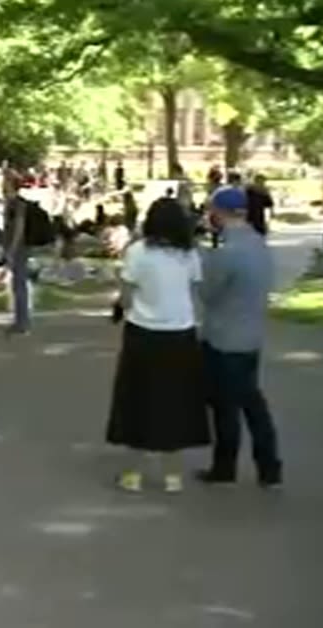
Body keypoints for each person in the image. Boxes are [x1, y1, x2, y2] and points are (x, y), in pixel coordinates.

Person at [106, 198, 211, 493]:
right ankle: (173, 475)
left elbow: (126, 297)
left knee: (137, 400)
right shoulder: (189, 255)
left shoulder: (138, 252)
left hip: (144, 331)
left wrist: (119, 307)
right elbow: (193, 289)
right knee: (176, 401)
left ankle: (133, 474)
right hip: (180, 331)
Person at [197, 186, 282, 488]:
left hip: (224, 336)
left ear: (218, 212)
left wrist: (204, 262)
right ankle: (268, 465)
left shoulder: (227, 253)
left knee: (226, 405)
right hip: (251, 333)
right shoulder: (259, 244)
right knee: (251, 401)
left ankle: (225, 466)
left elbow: (207, 293)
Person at [0, 171, 32, 336]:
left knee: (20, 285)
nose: (2, 185)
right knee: (16, 285)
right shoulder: (9, 203)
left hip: (18, 247)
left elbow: (18, 228)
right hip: (12, 247)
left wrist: (12, 249)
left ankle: (23, 322)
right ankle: (19, 319)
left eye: (5, 182)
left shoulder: (18, 204)